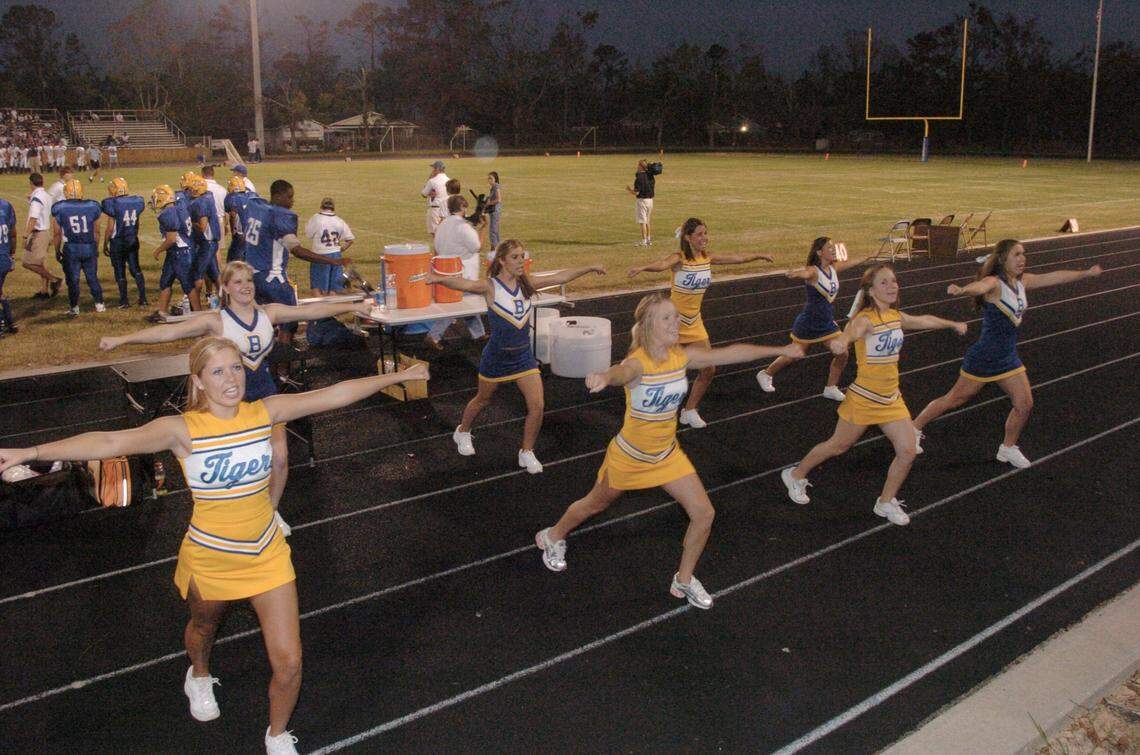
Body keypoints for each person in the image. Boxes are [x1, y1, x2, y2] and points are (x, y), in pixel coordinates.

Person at [0, 335, 429, 755]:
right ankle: (199, 673)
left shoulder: (265, 412)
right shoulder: (181, 430)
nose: (231, 378)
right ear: (199, 381)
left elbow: (334, 394)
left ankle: (277, 735)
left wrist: (397, 376)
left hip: (267, 552)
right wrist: (30, 450)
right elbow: (109, 442)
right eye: (218, 371)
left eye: (236, 368)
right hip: (211, 555)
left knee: (291, 661)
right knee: (204, 628)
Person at [536, 292, 802, 608]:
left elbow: (731, 353)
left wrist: (780, 349)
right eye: (667, 318)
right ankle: (553, 536)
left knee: (704, 514)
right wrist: (605, 376)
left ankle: (684, 580)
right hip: (629, 458)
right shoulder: (638, 363)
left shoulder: (682, 357)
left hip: (666, 455)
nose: (677, 322)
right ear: (649, 326)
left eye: (676, 316)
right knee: (594, 505)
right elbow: (621, 373)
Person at [100, 259, 375, 533]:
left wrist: (354, 306)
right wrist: (123, 340)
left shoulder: (270, 313)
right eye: (238, 282)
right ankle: (223, 519)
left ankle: (271, 512)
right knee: (234, 465)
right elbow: (168, 332)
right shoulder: (216, 321)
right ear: (226, 288)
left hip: (264, 393)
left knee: (279, 458)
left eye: (249, 281)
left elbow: (315, 310)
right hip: (229, 399)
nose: (246, 287)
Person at [780, 263, 967, 525]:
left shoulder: (895, 315)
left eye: (894, 281)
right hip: (865, 398)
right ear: (870, 290)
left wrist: (951, 323)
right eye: (884, 283)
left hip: (891, 398)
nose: (892, 286)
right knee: (838, 445)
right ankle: (795, 474)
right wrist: (840, 342)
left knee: (907, 451)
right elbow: (850, 334)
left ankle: (885, 501)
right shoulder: (865, 320)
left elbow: (923, 320)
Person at [911, 239, 1102, 468]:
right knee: (954, 399)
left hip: (1007, 358)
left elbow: (1053, 276)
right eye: (1016, 254)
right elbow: (980, 286)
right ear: (1003, 259)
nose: (1022, 259)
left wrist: (1085, 274)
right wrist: (963, 289)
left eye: (1023, 254)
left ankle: (1008, 448)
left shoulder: (1023, 281)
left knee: (1024, 404)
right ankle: (914, 428)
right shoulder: (995, 283)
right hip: (984, 357)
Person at [426, 240, 604, 473]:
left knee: (537, 405)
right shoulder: (491, 286)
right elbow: (464, 283)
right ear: (502, 260)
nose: (521, 261)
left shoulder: (527, 284)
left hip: (523, 358)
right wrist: (439, 279)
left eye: (522, 256)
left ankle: (526, 451)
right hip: (496, 357)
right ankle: (463, 431)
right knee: (482, 399)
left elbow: (560, 277)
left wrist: (589, 267)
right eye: (515, 257)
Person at [627, 217, 774, 429]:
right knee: (656, 367)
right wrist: (642, 268)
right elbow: (661, 265)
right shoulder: (679, 259)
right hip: (671, 323)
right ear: (688, 237)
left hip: (694, 322)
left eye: (706, 233)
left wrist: (759, 255)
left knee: (709, 369)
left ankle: (689, 410)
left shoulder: (708, 258)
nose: (704, 238)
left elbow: (738, 258)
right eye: (699, 234)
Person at [243, 179, 350, 365]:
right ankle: (283, 371)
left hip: (252, 276)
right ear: (277, 196)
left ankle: (259, 365)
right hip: (273, 278)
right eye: (289, 197)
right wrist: (333, 260)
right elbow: (298, 251)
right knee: (289, 322)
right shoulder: (278, 217)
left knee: (261, 322)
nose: (292, 201)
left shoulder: (257, 209)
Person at [757, 236, 873, 401]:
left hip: (826, 322)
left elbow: (850, 263)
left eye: (834, 247)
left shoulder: (833, 268)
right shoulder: (813, 271)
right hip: (810, 322)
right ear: (820, 252)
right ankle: (766, 373)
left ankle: (831, 387)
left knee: (843, 353)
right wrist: (796, 274)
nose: (834, 249)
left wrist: (869, 256)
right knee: (794, 355)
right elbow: (805, 272)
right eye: (829, 247)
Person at [423, 193, 487, 350]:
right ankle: (434, 335)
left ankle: (478, 333)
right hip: (463, 272)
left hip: (445, 270)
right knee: (457, 306)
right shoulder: (464, 227)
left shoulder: (442, 225)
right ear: (463, 207)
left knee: (467, 304)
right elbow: (477, 246)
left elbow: (437, 247)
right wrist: (485, 227)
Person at [50, 179, 105, 316]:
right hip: (89, 246)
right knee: (92, 277)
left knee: (73, 279)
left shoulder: (60, 207)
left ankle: (74, 308)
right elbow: (96, 232)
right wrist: (95, 247)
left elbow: (57, 234)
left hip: (72, 248)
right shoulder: (93, 206)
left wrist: (57, 250)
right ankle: (99, 304)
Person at [149, 183, 198, 320]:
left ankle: (198, 314)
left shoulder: (168, 213)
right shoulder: (179, 206)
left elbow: (171, 239)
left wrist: (158, 250)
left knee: (188, 285)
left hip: (181, 252)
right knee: (165, 282)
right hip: (177, 251)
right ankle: (162, 312)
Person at [101, 177, 148, 309]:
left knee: (120, 270)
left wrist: (105, 244)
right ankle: (143, 298)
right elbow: (137, 222)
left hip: (118, 241)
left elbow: (110, 228)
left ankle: (124, 301)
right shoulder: (136, 202)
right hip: (132, 239)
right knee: (136, 269)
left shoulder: (113, 204)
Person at [303, 197, 354, 296]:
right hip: (336, 255)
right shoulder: (339, 221)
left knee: (318, 288)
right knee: (334, 289)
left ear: (321, 206)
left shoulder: (316, 218)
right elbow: (350, 240)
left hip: (320, 255)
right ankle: (332, 309)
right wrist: (340, 249)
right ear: (333, 207)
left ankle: (321, 309)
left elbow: (308, 234)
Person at [23, 173, 63, 298]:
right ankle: (44, 291)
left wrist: (25, 236)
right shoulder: (45, 195)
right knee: (40, 263)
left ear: (31, 183)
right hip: (45, 231)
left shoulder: (37, 198)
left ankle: (54, 280)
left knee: (27, 262)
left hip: (38, 234)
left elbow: (33, 218)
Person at [189, 176, 222, 308]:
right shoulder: (208, 196)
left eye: (191, 187)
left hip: (207, 243)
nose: (190, 190)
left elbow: (202, 226)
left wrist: (190, 223)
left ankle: (194, 306)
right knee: (214, 273)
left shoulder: (200, 202)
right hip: (211, 242)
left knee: (197, 273)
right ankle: (225, 301)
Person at [224, 175, 254, 263]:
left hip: (241, 232)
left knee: (233, 260)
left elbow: (233, 215)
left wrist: (233, 230)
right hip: (253, 231)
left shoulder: (231, 198)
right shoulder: (251, 195)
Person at [625, 159, 655, 246]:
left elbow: (636, 192)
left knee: (643, 222)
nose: (637, 167)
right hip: (650, 200)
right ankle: (648, 240)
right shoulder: (650, 175)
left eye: (638, 165)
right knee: (647, 221)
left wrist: (629, 190)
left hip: (642, 201)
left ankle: (644, 241)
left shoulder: (639, 177)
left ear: (641, 167)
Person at [0, 194, 17, 335]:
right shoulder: (6, 205)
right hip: (4, 257)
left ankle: (2, 324)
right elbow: (13, 233)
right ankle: (10, 322)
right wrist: (11, 254)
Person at [420, 160, 449, 241]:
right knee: (445, 234)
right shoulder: (449, 180)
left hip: (435, 210)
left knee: (436, 235)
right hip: (447, 210)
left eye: (433, 168)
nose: (432, 170)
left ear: (437, 169)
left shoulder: (432, 181)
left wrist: (430, 178)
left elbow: (423, 194)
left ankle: (440, 253)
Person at [485, 171, 502, 249]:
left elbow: (498, 199)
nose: (489, 180)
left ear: (495, 179)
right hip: (493, 210)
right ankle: (496, 245)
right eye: (488, 178)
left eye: (491, 178)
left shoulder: (496, 186)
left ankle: (494, 247)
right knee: (494, 228)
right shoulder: (493, 187)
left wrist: (489, 203)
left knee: (493, 229)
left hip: (495, 210)